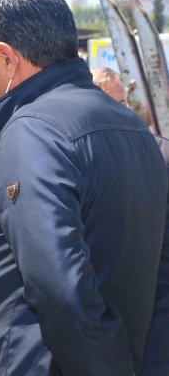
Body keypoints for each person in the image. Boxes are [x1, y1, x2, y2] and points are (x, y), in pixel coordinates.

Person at [0, 0, 167, 376]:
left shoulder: (32, 130)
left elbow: (61, 289)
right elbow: (161, 279)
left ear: (7, 58)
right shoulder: (137, 131)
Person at [91, 67, 169, 376]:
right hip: (103, 310)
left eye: (121, 102)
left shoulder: (162, 151)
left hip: (156, 301)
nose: (118, 111)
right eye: (108, 102)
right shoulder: (78, 156)